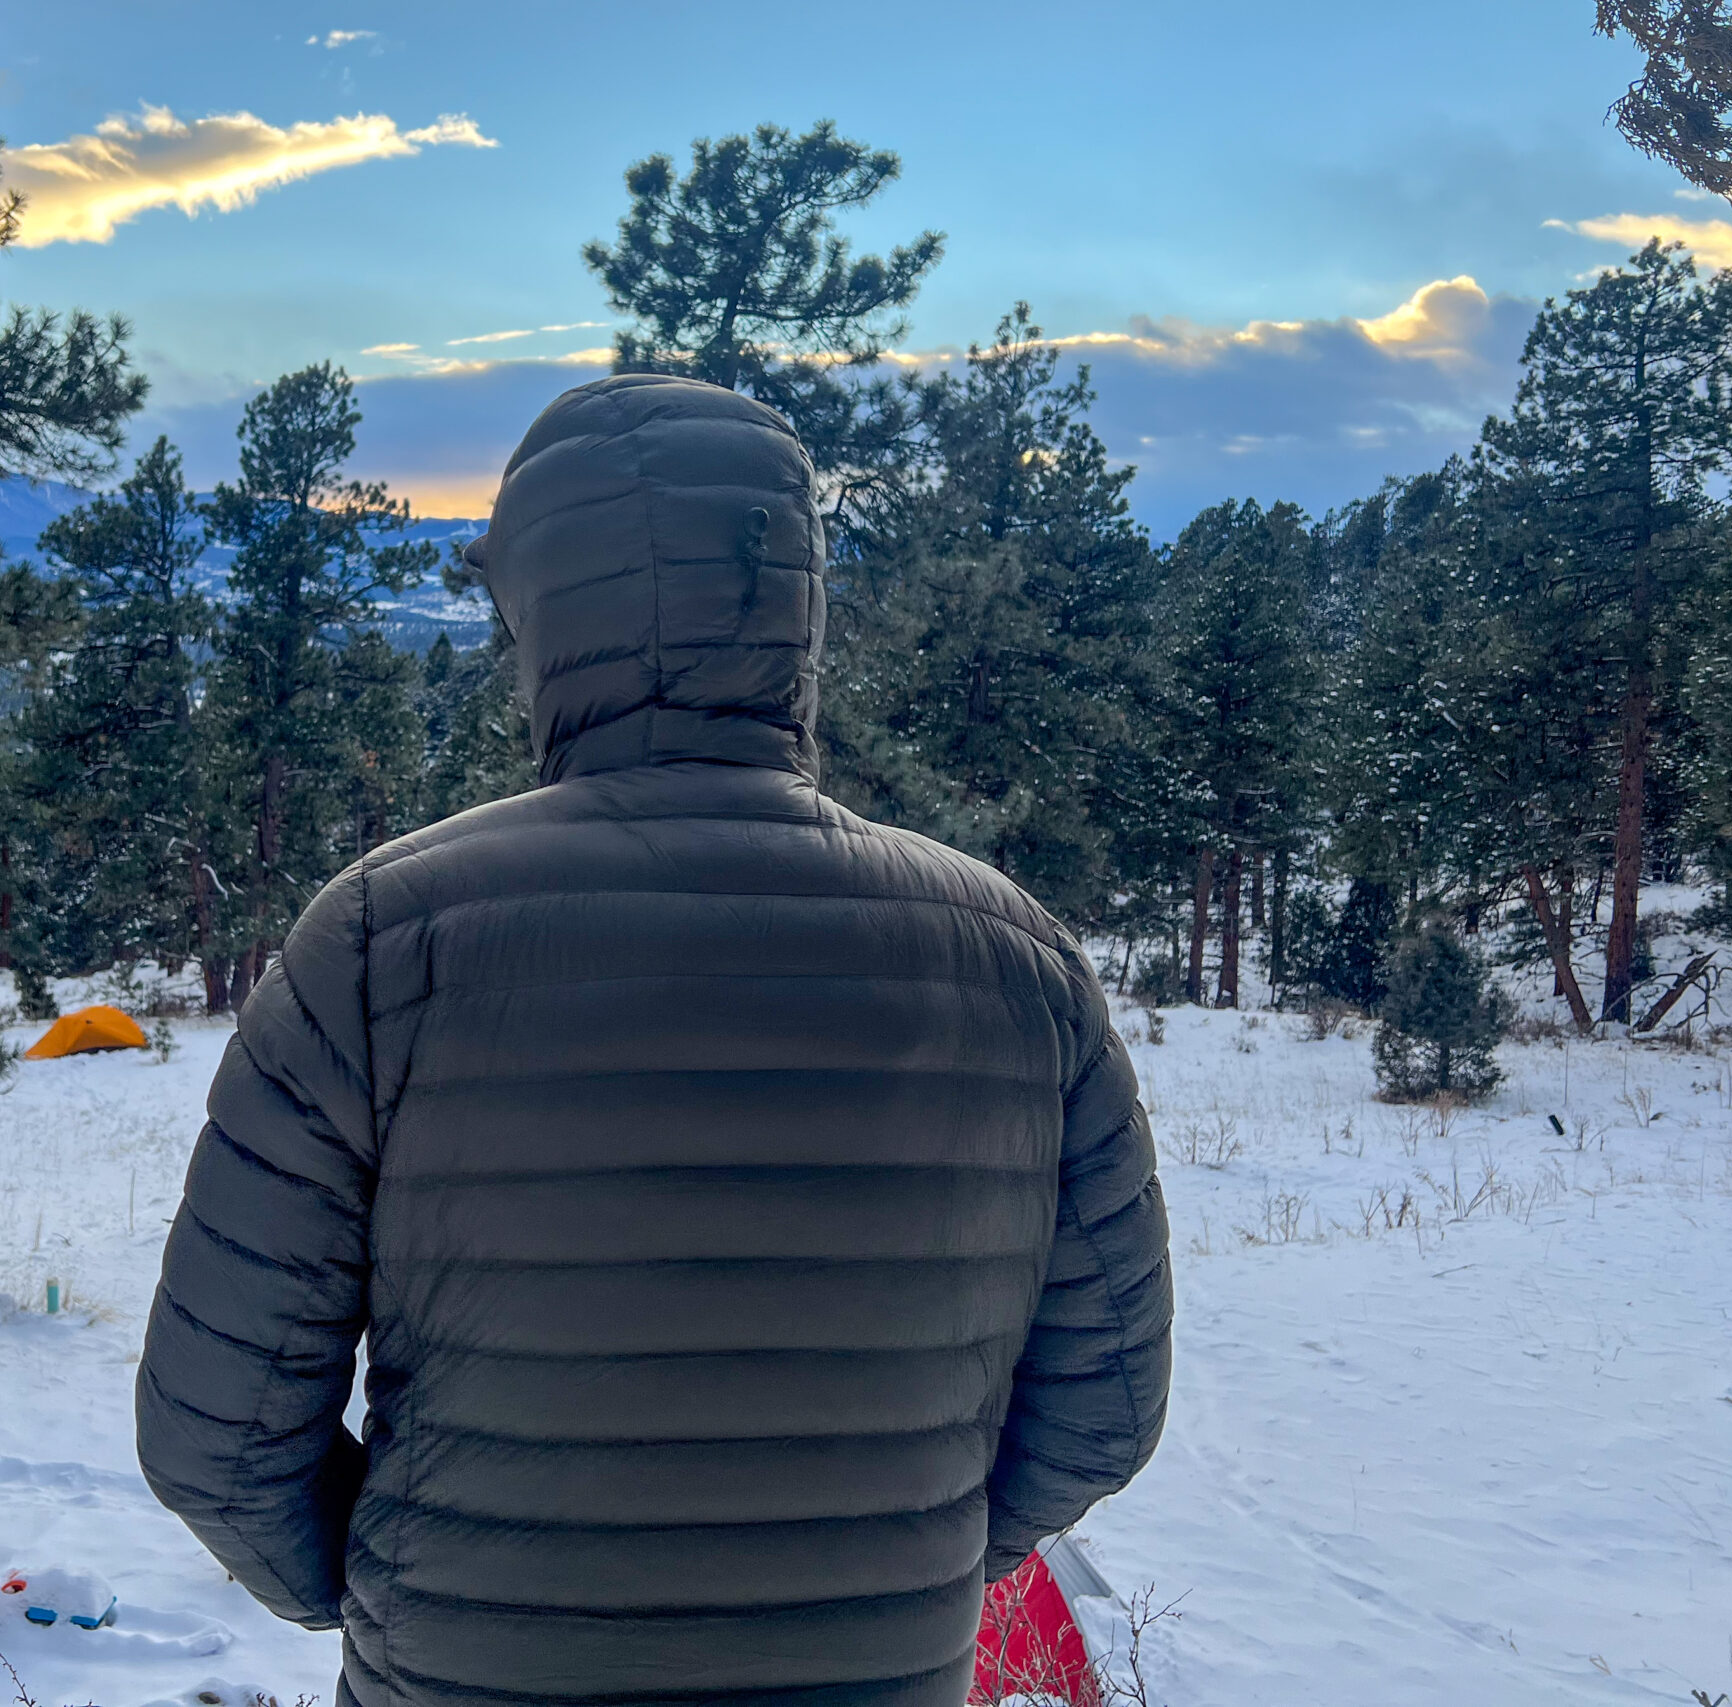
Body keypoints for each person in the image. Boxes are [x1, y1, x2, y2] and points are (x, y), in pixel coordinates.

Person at [137, 374, 1173, 1707]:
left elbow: (216, 1433)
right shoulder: (1018, 962)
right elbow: (1105, 1407)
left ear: (545, 616)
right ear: (794, 605)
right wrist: (928, 1562)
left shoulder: (384, 943)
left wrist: (393, 1585)